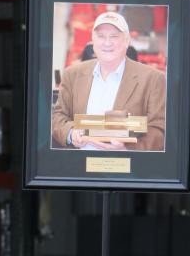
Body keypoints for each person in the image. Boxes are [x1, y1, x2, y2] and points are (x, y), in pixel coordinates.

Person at [52, 11, 166, 151]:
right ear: (93, 40)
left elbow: (159, 131)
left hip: (126, 169)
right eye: (101, 36)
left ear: (127, 41)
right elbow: (58, 117)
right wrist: (70, 133)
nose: (107, 43)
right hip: (79, 167)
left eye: (114, 36)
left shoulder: (153, 79)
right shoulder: (72, 74)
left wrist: (127, 150)